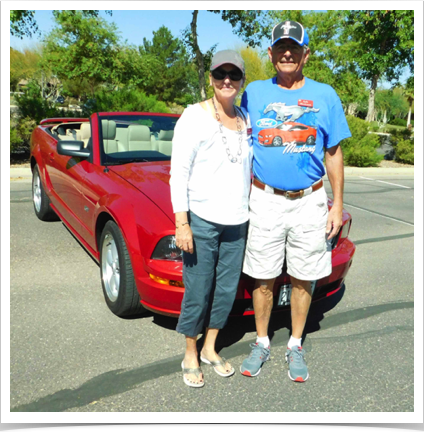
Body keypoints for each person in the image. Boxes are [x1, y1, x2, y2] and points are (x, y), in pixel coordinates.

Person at [239, 21, 351, 382]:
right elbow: (237, 140)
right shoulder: (253, 93)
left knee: (304, 276)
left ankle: (296, 344)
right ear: (270, 53)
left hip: (310, 201)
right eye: (280, 47)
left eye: (295, 47)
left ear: (306, 54)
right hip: (265, 199)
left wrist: (336, 205)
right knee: (263, 276)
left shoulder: (325, 95)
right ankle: (261, 341)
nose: (287, 53)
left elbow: (333, 152)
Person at [170, 50, 252, 388]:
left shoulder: (247, 118)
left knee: (227, 289)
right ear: (211, 79)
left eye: (234, 75)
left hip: (238, 220)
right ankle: (190, 351)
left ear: (242, 80)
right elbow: (179, 173)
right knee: (199, 288)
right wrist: (182, 222)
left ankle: (210, 347)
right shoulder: (194, 116)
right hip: (202, 219)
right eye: (221, 75)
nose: (227, 81)